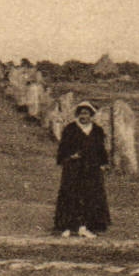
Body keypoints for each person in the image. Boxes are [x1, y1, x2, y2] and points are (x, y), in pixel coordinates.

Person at [53, 102, 111, 238]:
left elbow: (101, 149)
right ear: (77, 115)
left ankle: (86, 227)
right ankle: (67, 226)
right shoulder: (70, 129)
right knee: (70, 195)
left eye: (87, 113)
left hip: (91, 169)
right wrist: (70, 156)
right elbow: (62, 149)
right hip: (73, 169)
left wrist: (103, 163)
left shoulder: (97, 130)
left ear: (91, 115)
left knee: (90, 196)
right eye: (81, 113)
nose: (84, 116)